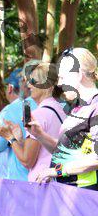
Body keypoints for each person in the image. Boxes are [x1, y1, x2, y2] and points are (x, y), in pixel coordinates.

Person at [29, 48, 98, 188]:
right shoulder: (79, 107)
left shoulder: (95, 106)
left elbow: (96, 158)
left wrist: (58, 171)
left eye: (63, 77)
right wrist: (40, 134)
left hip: (87, 195)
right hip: (69, 193)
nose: (59, 84)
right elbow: (66, 151)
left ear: (78, 74)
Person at [0, 61, 66, 182]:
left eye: (33, 81)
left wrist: (10, 138)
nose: (29, 85)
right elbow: (45, 150)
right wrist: (21, 141)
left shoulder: (37, 114)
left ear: (47, 86)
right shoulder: (62, 110)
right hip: (58, 180)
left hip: (43, 183)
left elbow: (27, 161)